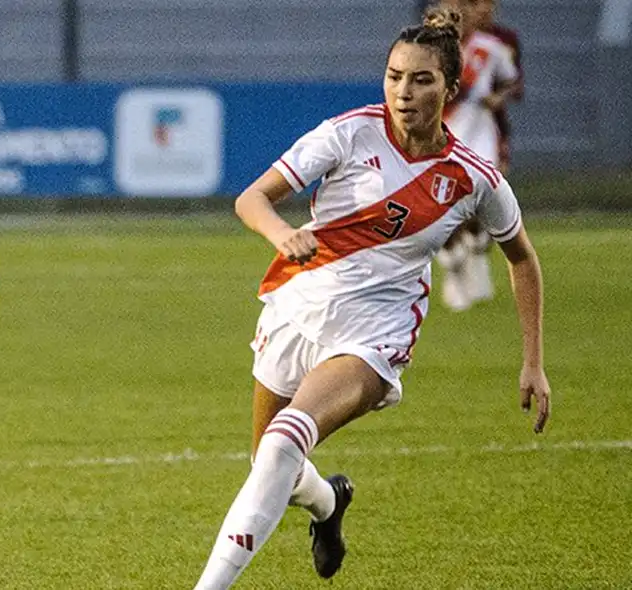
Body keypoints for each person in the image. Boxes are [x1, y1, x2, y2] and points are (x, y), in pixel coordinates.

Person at [192, 8, 549, 589]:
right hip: (297, 307)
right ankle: (329, 505)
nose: (403, 92)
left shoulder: (474, 177)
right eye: (393, 76)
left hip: (373, 332)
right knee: (270, 465)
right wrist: (282, 234)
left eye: (421, 79)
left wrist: (532, 361)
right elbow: (252, 198)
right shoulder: (348, 132)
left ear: (450, 88)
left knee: (285, 442)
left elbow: (523, 260)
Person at [437, 0, 523, 310]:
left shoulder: (492, 47)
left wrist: (497, 96)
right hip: (442, 135)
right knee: (445, 206)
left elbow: (513, 80)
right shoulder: (431, 50)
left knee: (480, 200)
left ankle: (474, 250)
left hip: (482, 134)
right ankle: (453, 264)